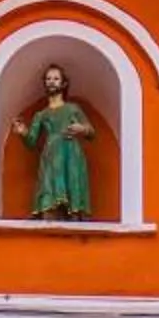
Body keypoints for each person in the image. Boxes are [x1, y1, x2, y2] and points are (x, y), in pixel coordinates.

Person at [16, 62, 95, 219]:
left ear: (63, 83)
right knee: (48, 194)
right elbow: (31, 141)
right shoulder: (41, 114)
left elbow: (91, 133)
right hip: (51, 156)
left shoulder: (73, 108)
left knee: (72, 188)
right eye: (48, 79)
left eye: (56, 78)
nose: (51, 81)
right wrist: (22, 132)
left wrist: (82, 128)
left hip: (71, 154)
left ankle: (74, 216)